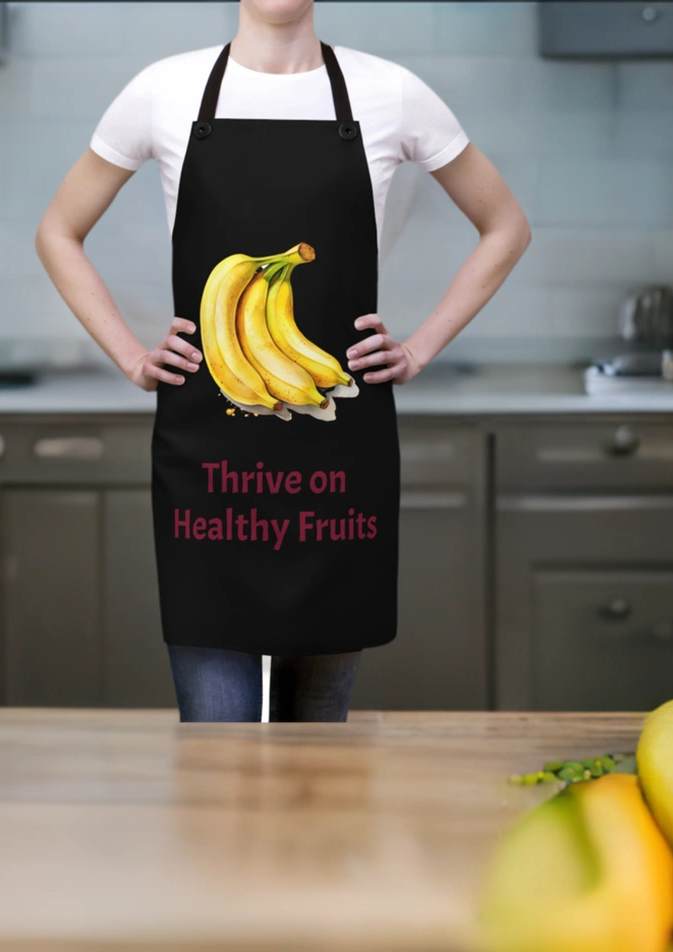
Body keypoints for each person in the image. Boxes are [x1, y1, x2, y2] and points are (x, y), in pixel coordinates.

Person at [36, 0, 531, 724]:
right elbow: (58, 230)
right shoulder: (163, 91)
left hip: (336, 474)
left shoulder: (389, 93)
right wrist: (132, 356)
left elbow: (506, 226)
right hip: (210, 476)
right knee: (218, 750)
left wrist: (420, 346)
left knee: (318, 764)